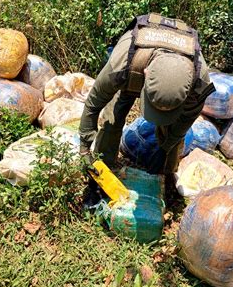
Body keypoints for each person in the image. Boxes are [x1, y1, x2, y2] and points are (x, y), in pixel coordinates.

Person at [79, 13, 214, 181]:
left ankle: (165, 176)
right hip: (133, 71)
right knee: (112, 117)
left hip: (160, 76)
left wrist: (165, 148)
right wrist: (84, 147)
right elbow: (93, 104)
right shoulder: (122, 63)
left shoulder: (200, 81)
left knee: (172, 135)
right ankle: (104, 165)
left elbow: (185, 121)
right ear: (146, 74)